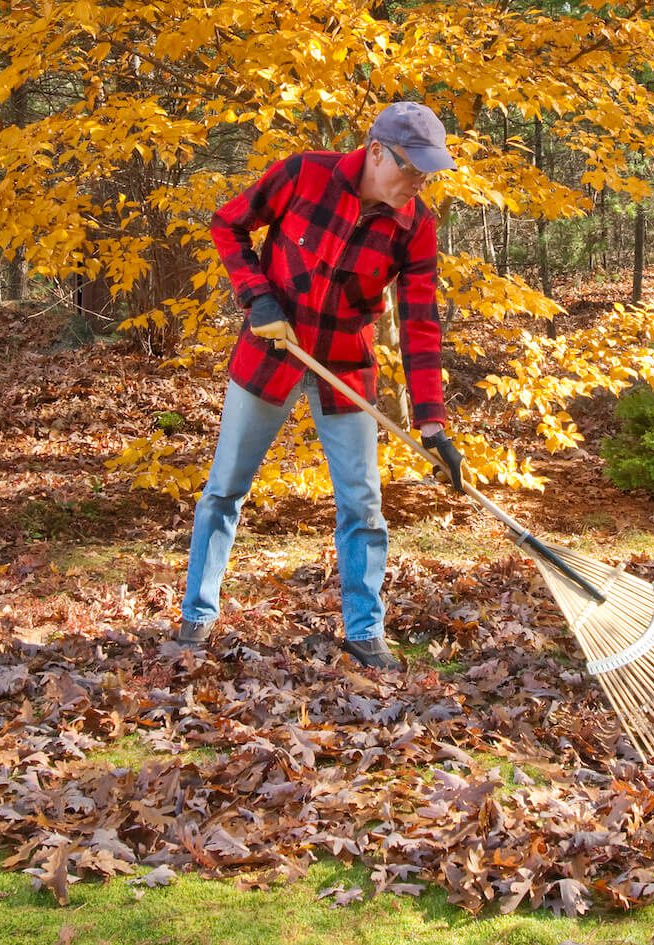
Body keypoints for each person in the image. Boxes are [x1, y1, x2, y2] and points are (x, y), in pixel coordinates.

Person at [177, 102, 465, 670]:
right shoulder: (303, 174)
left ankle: (364, 630)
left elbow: (421, 321)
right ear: (377, 151)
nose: (417, 183)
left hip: (346, 370)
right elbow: (227, 224)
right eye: (410, 168)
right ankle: (197, 616)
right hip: (269, 355)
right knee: (225, 490)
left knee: (363, 502)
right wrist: (257, 296)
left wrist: (432, 423)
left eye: (427, 173)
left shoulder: (416, 225)